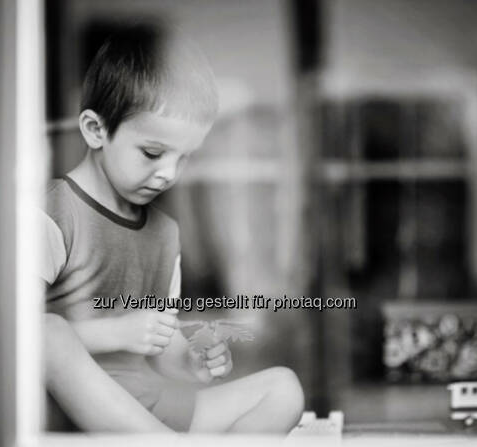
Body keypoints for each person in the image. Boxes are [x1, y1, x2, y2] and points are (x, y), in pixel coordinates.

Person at [40, 24, 304, 433]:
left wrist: (191, 358)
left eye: (185, 158)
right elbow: (12, 337)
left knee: (283, 389)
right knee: (46, 332)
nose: (169, 174)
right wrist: (114, 333)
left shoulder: (165, 234)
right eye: (153, 153)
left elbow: (159, 344)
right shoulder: (54, 214)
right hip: (78, 421)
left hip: (153, 415)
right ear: (95, 130)